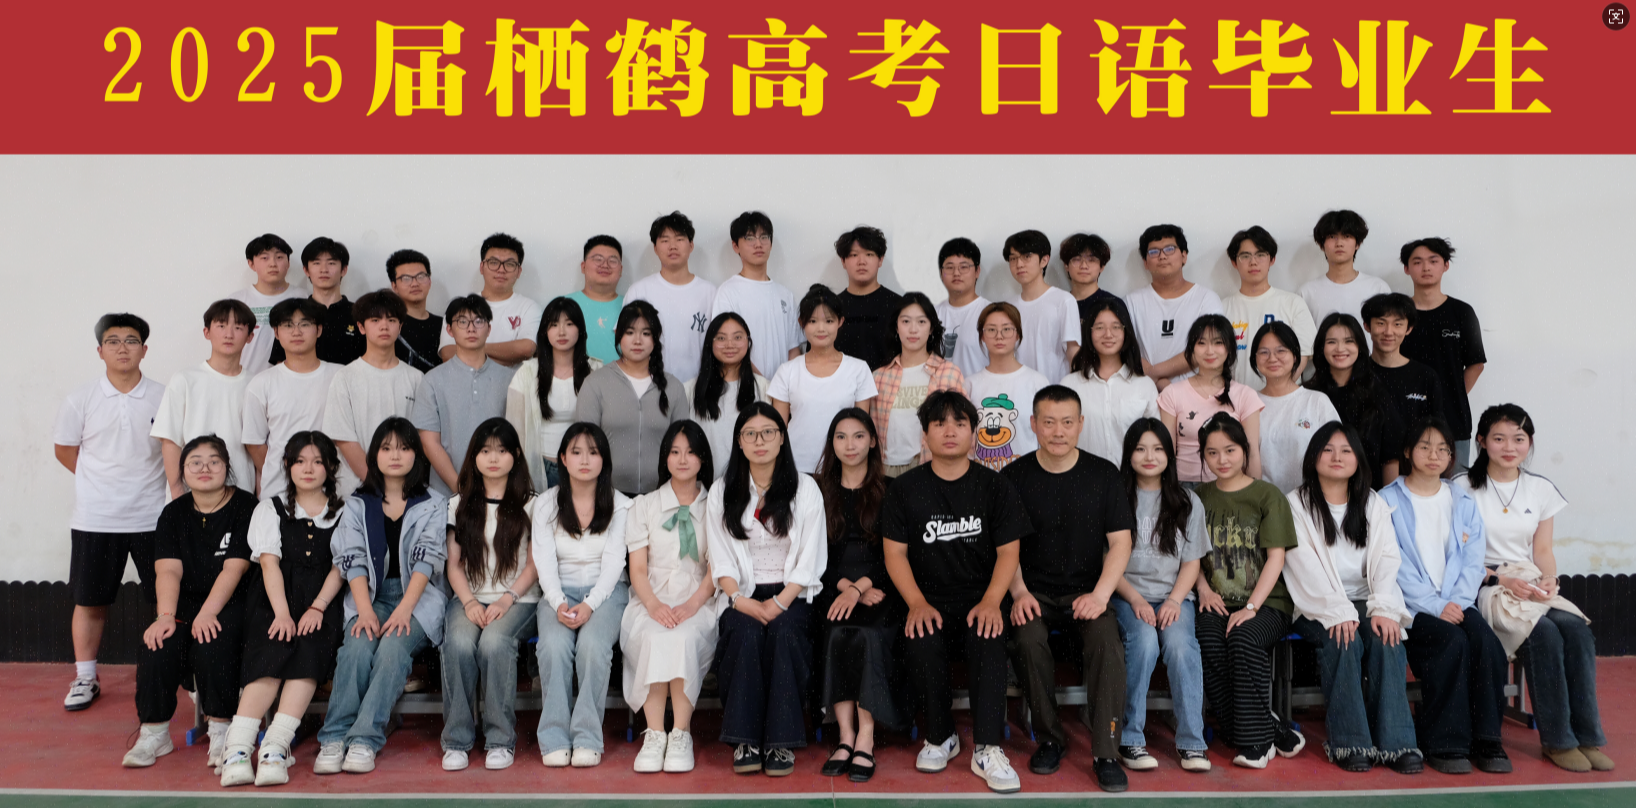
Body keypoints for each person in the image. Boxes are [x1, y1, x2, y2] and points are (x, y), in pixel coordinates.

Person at [882, 391, 1030, 794]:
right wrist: (915, 602)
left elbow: (1009, 551)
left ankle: (987, 747)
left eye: (959, 424)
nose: (950, 431)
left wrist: (992, 601)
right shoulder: (904, 488)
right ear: (925, 434)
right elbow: (894, 553)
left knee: (988, 633)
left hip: (980, 595)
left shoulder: (995, 486)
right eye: (939, 424)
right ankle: (941, 736)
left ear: (973, 432)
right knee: (921, 636)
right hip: (926, 596)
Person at [1459, 405, 1611, 773]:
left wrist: (1549, 579)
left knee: (1576, 630)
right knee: (1543, 634)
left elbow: (1542, 550)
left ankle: (1587, 736)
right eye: (1499, 438)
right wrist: (1500, 580)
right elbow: (1457, 554)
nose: (1509, 447)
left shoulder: (1540, 488)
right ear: (1481, 441)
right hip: (1484, 581)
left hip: (1527, 579)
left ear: (1529, 442)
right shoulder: (1462, 487)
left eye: (1519, 439)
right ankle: (1558, 742)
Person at [1003, 386, 1135, 792]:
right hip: (1034, 592)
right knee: (1027, 640)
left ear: (1080, 424)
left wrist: (1101, 595)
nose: (1057, 432)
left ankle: (1106, 752)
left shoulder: (1103, 474)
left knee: (1107, 642)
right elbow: (1005, 546)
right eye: (1048, 422)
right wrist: (1019, 592)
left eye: (1066, 422)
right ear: (1033, 424)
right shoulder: (1013, 477)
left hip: (1087, 591)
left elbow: (1121, 543)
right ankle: (1049, 739)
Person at [314, 418, 449, 775]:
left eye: (404, 448)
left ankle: (364, 739)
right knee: (357, 648)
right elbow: (352, 558)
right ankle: (334, 737)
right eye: (387, 448)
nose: (395, 455)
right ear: (374, 454)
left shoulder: (433, 503)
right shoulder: (358, 504)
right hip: (369, 597)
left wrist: (405, 609)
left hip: (417, 600)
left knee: (392, 649)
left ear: (416, 455)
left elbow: (428, 559)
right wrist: (364, 610)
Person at [1282, 422, 1420, 774]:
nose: (1337, 457)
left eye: (1346, 450)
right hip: (1316, 604)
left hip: (1367, 600)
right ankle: (1350, 742)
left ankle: (1397, 743)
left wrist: (1384, 607)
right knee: (1342, 638)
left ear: (1358, 458)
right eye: (1328, 450)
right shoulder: (1296, 504)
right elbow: (1303, 566)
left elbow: (1387, 558)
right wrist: (1337, 611)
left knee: (1387, 637)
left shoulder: (1372, 502)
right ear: (1313, 457)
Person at [1381, 417, 1512, 775]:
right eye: (1424, 447)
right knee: (1451, 643)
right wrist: (1436, 605)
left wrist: (1457, 601)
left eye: (1443, 449)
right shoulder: (1386, 501)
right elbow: (1392, 562)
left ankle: (1487, 740)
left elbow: (1473, 559)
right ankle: (1445, 742)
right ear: (1408, 452)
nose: (1434, 455)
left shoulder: (1461, 499)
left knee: (1487, 644)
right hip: (1412, 607)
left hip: (1458, 601)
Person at [219, 432, 347, 787]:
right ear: (288, 466)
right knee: (271, 652)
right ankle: (237, 748)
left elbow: (340, 567)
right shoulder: (270, 508)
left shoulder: (344, 512)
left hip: (321, 602)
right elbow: (269, 564)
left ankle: (275, 746)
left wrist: (317, 608)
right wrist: (282, 613)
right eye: (300, 461)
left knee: (308, 653)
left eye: (317, 462)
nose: (308, 469)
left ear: (330, 467)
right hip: (274, 601)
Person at [706, 403, 828, 778]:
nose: (760, 441)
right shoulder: (722, 491)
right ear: (739, 442)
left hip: (792, 593)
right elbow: (720, 557)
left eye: (768, 432)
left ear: (782, 439)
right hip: (741, 592)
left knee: (785, 632)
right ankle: (745, 740)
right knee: (743, 633)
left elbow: (810, 557)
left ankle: (780, 741)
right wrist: (739, 600)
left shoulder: (805, 488)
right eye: (750, 434)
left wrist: (779, 602)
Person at [122, 435, 256, 770]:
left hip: (233, 603)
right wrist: (165, 616)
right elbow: (168, 570)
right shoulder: (173, 513)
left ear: (227, 467)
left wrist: (208, 613)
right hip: (185, 604)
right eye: (195, 462)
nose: (204, 468)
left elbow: (234, 568)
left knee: (213, 640)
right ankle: (155, 733)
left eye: (214, 461)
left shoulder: (246, 506)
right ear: (182, 470)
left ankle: (221, 729)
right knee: (157, 644)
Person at [54, 313, 166, 711]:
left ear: (144, 350)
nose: (122, 348)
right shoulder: (81, 398)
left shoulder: (164, 396)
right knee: (90, 601)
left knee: (167, 599)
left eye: (131, 340)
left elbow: (175, 451)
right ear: (100, 350)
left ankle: (180, 672)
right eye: (113, 341)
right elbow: (65, 450)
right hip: (96, 518)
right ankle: (85, 677)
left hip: (154, 516)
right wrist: (100, 483)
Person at [1192, 413, 1303, 769]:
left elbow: (1276, 558)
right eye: (1212, 453)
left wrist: (1251, 607)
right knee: (1208, 640)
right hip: (1215, 600)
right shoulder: (1198, 498)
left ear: (1244, 450)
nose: (1222, 460)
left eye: (1230, 450)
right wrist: (1203, 590)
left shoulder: (1267, 495)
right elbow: (1189, 556)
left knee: (1242, 637)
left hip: (1268, 603)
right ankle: (1271, 728)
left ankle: (1256, 743)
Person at [440, 419, 542, 772]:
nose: (493, 458)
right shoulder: (458, 504)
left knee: (494, 644)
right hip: (469, 597)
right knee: (458, 643)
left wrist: (505, 599)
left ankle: (500, 739)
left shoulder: (533, 504)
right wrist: (469, 601)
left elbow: (534, 566)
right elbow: (454, 565)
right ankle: (457, 741)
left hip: (519, 599)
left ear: (516, 455)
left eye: (501, 450)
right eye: (485, 451)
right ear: (474, 457)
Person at [1112, 419, 1211, 773]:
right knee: (1144, 643)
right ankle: (1130, 738)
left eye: (1157, 449)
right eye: (1140, 449)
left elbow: (1191, 562)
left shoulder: (1187, 501)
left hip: (1175, 597)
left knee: (1181, 647)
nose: (1149, 456)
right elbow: (1107, 563)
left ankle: (1192, 743)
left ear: (1169, 455)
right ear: (1129, 454)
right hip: (1126, 596)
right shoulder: (1115, 497)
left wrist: (1173, 600)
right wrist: (1136, 600)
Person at [623, 421, 722, 774]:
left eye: (691, 452)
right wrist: (654, 606)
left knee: (681, 637)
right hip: (651, 597)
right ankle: (654, 734)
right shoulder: (644, 506)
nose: (683, 459)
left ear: (703, 458)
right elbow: (637, 569)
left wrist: (691, 605)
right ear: (665, 457)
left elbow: (716, 569)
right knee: (654, 635)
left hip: (699, 598)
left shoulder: (715, 505)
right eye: (675, 452)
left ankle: (681, 733)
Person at [532, 422, 632, 768]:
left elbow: (614, 564)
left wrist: (589, 605)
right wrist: (558, 601)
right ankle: (554, 737)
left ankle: (588, 737)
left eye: (593, 452)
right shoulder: (545, 504)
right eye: (576, 452)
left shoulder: (621, 505)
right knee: (553, 646)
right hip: (557, 593)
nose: (585, 460)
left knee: (592, 646)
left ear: (604, 459)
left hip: (607, 593)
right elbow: (544, 562)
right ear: (562, 458)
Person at [814, 409, 901, 783]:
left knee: (866, 634)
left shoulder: (892, 490)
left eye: (859, 436)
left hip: (881, 586)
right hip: (831, 587)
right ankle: (845, 735)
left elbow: (895, 554)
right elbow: (814, 554)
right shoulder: (818, 492)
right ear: (832, 444)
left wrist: (861, 587)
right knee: (836, 632)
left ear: (873, 442)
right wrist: (846, 589)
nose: (850, 445)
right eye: (841, 437)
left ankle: (866, 735)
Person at [574, 300, 692, 495]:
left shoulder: (674, 387)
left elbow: (684, 444)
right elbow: (584, 443)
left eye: (646, 333)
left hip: (661, 496)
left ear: (656, 338)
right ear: (618, 336)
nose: (638, 340)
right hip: (608, 495)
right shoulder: (596, 383)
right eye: (629, 333)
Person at [243, 298, 350, 501]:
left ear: (319, 330)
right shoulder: (261, 383)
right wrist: (287, 471)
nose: (296, 332)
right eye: (288, 325)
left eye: (305, 324)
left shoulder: (341, 376)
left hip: (334, 492)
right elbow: (254, 443)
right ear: (276, 332)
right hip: (280, 493)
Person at [152, 299, 256, 500]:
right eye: (221, 326)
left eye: (238, 327)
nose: (229, 334)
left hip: (240, 494)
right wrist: (177, 493)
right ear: (206, 332)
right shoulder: (184, 380)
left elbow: (258, 446)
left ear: (250, 336)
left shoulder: (256, 384)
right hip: (190, 496)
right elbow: (170, 441)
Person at [769, 284, 878, 474]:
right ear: (801, 323)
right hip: (797, 467)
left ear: (840, 321)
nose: (821, 329)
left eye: (828, 321)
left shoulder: (858, 369)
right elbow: (778, 430)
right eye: (812, 321)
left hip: (843, 469)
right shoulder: (787, 371)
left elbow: (861, 429)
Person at [1399, 238, 1486, 472]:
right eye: (1417, 262)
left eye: (1433, 261)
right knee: (1405, 485)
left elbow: (1476, 363)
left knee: (1454, 485)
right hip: (1404, 417)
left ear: (1445, 265)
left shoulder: (1462, 312)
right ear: (1407, 268)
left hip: (1453, 419)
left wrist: (1451, 395)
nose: (1426, 267)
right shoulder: (1398, 313)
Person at [413, 295, 511, 495]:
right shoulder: (432, 380)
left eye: (478, 321)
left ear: (489, 329)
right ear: (449, 330)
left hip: (499, 492)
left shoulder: (510, 378)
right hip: (446, 493)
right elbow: (429, 443)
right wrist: (460, 490)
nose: (471, 328)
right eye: (462, 321)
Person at [323, 291, 424, 482]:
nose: (384, 326)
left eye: (391, 320)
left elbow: (419, 438)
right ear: (361, 327)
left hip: (404, 487)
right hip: (356, 488)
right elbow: (344, 439)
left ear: (400, 326)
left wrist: (396, 487)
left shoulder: (416, 378)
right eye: (375, 320)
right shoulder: (345, 377)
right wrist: (375, 484)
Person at [507, 297, 602, 490]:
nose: (561, 331)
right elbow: (514, 428)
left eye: (569, 324)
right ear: (545, 331)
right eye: (554, 324)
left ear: (580, 330)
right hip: (540, 466)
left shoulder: (596, 370)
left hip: (583, 466)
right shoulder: (527, 372)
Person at [1158, 315, 1264, 485]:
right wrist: (1169, 493)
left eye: (1218, 342)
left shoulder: (1246, 395)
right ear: (1192, 348)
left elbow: (1252, 454)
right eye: (1201, 343)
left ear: (1229, 348)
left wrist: (1254, 494)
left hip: (1230, 487)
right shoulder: (1172, 393)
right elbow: (1166, 451)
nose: (1209, 351)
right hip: (1183, 487)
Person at [870, 292, 966, 477]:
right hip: (885, 469)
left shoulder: (949, 373)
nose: (913, 329)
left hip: (930, 467)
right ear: (896, 327)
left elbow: (964, 427)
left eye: (921, 322)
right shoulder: (879, 377)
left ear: (931, 329)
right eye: (906, 321)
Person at [1125, 224, 1225, 389]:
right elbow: (1125, 349)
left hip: (1196, 393)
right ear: (1145, 262)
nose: (1162, 256)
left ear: (1184, 256)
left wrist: (1155, 375)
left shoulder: (1206, 299)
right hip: (1144, 394)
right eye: (1154, 252)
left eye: (1169, 249)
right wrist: (1161, 383)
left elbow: (1208, 348)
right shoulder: (1131, 302)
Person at [1061, 297, 1160, 464]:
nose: (1108, 334)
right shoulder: (1070, 385)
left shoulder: (1144, 385)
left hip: (1131, 476)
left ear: (1126, 332)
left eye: (1116, 327)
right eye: (1099, 327)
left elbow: (1155, 440)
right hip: (1085, 476)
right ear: (1088, 332)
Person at [1364, 293, 1445, 486]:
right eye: (1381, 323)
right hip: (1364, 474)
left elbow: (1436, 430)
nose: (1388, 332)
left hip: (1415, 475)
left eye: (1398, 324)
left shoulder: (1425, 376)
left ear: (1409, 329)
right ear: (1367, 326)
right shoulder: (1358, 374)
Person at [1221, 227, 1316, 390]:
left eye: (1260, 254)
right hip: (1236, 398)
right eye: (1245, 256)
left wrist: (1277, 391)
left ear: (1272, 259)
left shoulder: (1293, 303)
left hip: (1283, 398)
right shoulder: (1222, 308)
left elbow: (1304, 354)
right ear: (1234, 262)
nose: (1253, 262)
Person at [626, 212, 716, 383]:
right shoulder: (639, 291)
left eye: (679, 239)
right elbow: (626, 342)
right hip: (650, 386)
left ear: (691, 245)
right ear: (655, 248)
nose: (672, 246)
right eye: (665, 240)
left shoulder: (710, 292)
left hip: (698, 387)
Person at [712, 212, 803, 378]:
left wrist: (785, 385)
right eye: (750, 238)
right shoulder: (727, 292)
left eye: (764, 237)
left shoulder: (785, 295)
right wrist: (761, 384)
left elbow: (793, 348)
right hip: (745, 385)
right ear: (735, 246)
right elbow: (728, 348)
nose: (758, 244)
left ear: (771, 244)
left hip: (783, 389)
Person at [1252, 322, 1340, 493]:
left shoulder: (1317, 401)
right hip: (1263, 503)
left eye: (1281, 351)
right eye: (1264, 352)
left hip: (1311, 501)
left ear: (1295, 356)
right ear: (1254, 358)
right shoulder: (1248, 403)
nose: (1272, 358)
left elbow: (1336, 453)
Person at [1306, 313, 1392, 489]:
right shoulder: (1308, 394)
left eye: (1349, 341)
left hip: (1369, 493)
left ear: (1359, 346)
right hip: (1318, 493)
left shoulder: (1377, 393)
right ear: (1321, 347)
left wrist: (1389, 499)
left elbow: (1390, 456)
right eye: (1331, 342)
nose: (1340, 348)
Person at [965, 302, 1049, 472]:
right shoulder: (969, 385)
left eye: (1007, 329)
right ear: (982, 336)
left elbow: (1046, 435)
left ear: (1017, 334)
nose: (999, 336)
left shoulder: (1037, 382)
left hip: (1027, 477)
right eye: (991, 329)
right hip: (983, 479)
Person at [439, 233, 542, 367]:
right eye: (494, 263)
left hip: (513, 381)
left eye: (509, 264)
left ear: (519, 271)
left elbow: (526, 349)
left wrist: (470, 349)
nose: (501, 270)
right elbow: (448, 354)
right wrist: (507, 355)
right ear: (482, 267)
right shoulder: (460, 307)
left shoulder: (529, 307)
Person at [686, 312, 768, 480]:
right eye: (721, 338)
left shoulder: (764, 387)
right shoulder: (690, 389)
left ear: (748, 342)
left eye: (737, 337)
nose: (730, 344)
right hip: (703, 486)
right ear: (710, 343)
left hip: (751, 486)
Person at [269, 237, 365, 366]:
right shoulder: (292, 312)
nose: (323, 269)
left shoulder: (360, 314)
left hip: (349, 379)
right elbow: (281, 364)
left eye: (331, 263)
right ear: (306, 270)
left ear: (344, 270)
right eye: (316, 263)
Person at [1003, 229, 1079, 382]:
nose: (1019, 264)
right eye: (1013, 259)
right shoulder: (1008, 307)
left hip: (1055, 387)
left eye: (1027, 257)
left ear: (1044, 260)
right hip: (1019, 388)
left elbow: (1073, 350)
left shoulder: (1063, 300)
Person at [1299, 210, 1390, 335]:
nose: (1339, 243)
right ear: (1321, 245)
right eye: (1332, 237)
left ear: (1358, 243)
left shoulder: (1377, 288)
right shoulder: (1306, 292)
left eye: (1347, 236)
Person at [232, 233, 305, 377]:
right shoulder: (237, 301)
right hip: (246, 380)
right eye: (264, 258)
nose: (273, 264)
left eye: (279, 257)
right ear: (251, 264)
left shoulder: (303, 298)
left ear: (288, 263)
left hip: (292, 380)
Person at [833, 225, 903, 371]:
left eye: (869, 254)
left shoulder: (899, 306)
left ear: (880, 260)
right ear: (843, 261)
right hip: (840, 384)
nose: (861, 261)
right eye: (854, 255)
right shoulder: (831, 307)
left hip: (889, 383)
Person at [933, 237, 991, 379]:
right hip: (940, 390)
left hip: (978, 391)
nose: (956, 273)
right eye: (949, 267)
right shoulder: (931, 314)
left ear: (977, 271)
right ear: (941, 273)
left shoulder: (990, 313)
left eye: (964, 267)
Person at [567, 235, 626, 365]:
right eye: (598, 259)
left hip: (621, 377)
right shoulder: (564, 305)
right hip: (575, 377)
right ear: (583, 267)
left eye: (613, 260)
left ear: (621, 270)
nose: (605, 265)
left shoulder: (631, 305)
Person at [387, 248, 444, 373]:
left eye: (421, 276)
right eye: (406, 278)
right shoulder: (387, 325)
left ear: (429, 281)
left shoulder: (445, 325)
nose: (415, 284)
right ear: (394, 286)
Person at [1061, 232, 1122, 325]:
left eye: (1091, 260)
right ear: (1066, 265)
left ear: (1102, 267)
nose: (1084, 266)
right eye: (1077, 259)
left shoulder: (1114, 304)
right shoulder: (1058, 303)